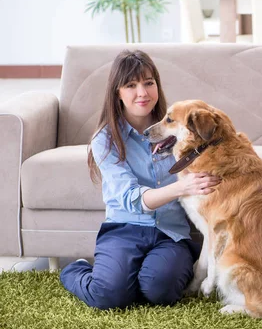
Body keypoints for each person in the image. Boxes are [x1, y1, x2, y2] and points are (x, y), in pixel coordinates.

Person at [60, 50, 221, 310]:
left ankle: (132, 278)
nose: (142, 93)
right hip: (123, 230)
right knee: (109, 296)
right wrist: (182, 187)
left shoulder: (177, 128)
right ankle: (76, 270)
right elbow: (131, 199)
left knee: (161, 289)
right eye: (131, 85)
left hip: (170, 234)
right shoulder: (105, 139)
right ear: (117, 93)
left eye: (148, 83)